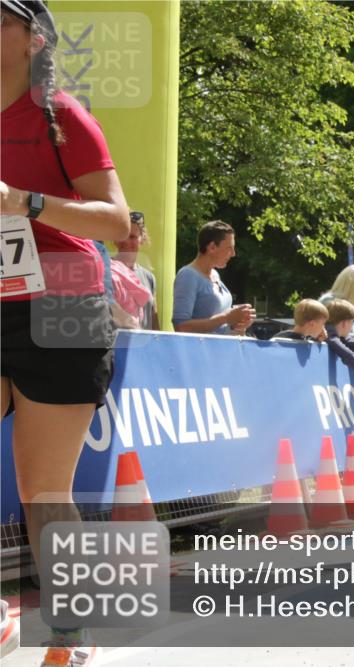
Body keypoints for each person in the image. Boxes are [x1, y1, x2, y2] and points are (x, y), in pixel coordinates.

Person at [1, 1, 131, 662]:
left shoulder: (62, 117)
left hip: (64, 301)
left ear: (35, 39)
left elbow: (116, 222)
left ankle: (72, 633)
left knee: (44, 489)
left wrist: (23, 202)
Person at [172, 220, 255, 335]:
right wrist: (226, 318)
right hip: (199, 347)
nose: (233, 254)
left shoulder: (215, 274)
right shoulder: (188, 275)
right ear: (212, 247)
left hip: (221, 345)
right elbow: (180, 326)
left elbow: (218, 326)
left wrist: (236, 323)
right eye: (229, 248)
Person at [113, 210, 159, 329]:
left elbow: (154, 319)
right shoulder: (107, 270)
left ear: (142, 239)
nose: (126, 241)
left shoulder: (149, 278)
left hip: (144, 340)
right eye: (123, 235)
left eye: (132, 237)